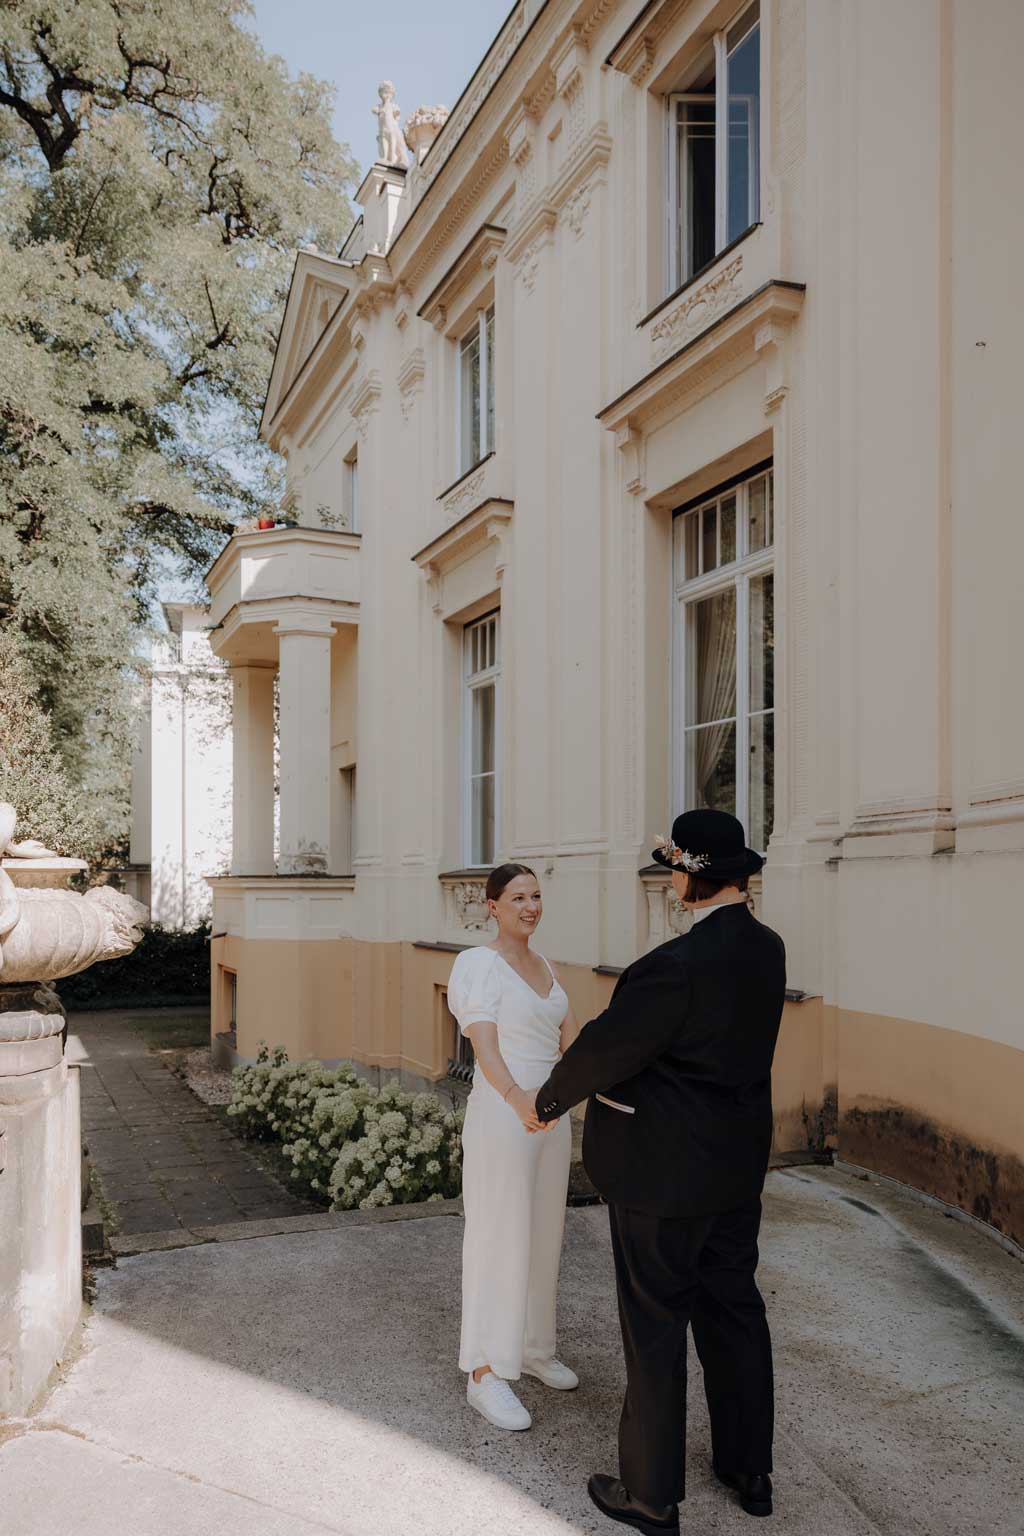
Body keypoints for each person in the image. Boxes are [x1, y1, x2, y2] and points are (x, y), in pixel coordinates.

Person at [534, 810, 786, 1536]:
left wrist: (548, 1101)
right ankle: (750, 1469)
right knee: (735, 1311)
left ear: (692, 877)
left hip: (663, 1177)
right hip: (736, 1171)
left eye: (675, 866)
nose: (670, 877)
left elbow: (605, 1048)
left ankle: (650, 1495)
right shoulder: (767, 951)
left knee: (654, 1326)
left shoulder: (672, 966)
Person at [446, 863, 581, 1432]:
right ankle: (484, 1370)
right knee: (498, 1236)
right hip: (506, 1113)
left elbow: (573, 1042)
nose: (531, 906)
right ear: (493, 905)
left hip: (552, 1115)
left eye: (537, 895)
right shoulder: (478, 964)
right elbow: (485, 1046)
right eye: (519, 897)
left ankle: (530, 1346)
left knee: (544, 1233)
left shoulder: (546, 966)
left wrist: (574, 1097)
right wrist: (519, 1099)